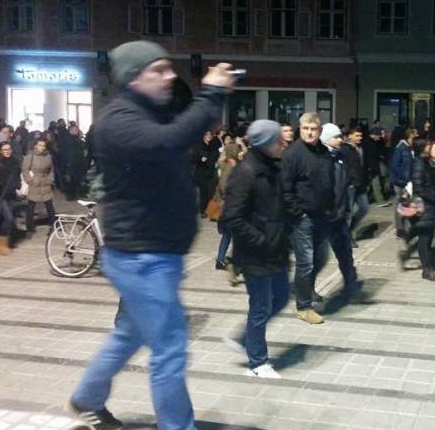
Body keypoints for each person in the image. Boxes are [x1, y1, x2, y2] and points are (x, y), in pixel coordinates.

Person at [67, 41, 236, 430]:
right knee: (170, 350)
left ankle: (86, 398)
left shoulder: (145, 113)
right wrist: (211, 93)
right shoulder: (119, 120)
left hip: (152, 253)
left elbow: (179, 129)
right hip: (142, 256)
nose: (170, 75)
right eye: (158, 70)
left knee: (129, 333)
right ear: (133, 77)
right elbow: (169, 142)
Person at [221, 120, 290, 379]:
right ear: (264, 143)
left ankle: (243, 338)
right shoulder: (246, 172)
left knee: (282, 297)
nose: (284, 143)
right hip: (255, 253)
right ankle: (258, 363)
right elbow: (232, 217)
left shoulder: (273, 167)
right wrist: (261, 240)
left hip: (276, 249)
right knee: (260, 306)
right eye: (278, 140)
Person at [280, 112, 335, 325]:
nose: (310, 132)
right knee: (306, 262)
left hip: (321, 215)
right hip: (302, 218)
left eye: (313, 129)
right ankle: (303, 306)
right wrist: (297, 213)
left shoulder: (323, 151)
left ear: (319, 131)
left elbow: (328, 180)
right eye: (306, 128)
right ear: (300, 129)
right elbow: (285, 188)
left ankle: (304, 289)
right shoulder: (292, 154)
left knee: (320, 258)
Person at [321, 124, 364, 298]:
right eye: (336, 137)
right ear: (326, 138)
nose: (341, 139)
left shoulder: (339, 156)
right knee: (315, 259)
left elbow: (342, 184)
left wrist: (344, 207)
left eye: (340, 136)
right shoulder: (320, 158)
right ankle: (307, 291)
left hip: (338, 214)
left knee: (345, 253)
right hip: (323, 216)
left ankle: (351, 284)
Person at [411, 139, 435, 281]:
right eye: (429, 147)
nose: (431, 149)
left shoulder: (426, 163)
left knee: (429, 236)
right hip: (424, 206)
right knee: (424, 238)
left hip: (430, 206)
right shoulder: (419, 163)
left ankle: (427, 264)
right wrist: (433, 197)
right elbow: (418, 187)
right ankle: (427, 269)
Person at [0, 142, 22, 255]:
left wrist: (18, 185)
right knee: (9, 219)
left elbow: (17, 176)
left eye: (9, 149)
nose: (7, 151)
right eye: (4, 149)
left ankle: (3, 243)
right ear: (0, 151)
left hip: (12, 194)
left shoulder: (15, 162)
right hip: (1, 194)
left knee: (5, 218)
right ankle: (1, 242)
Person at [340, 126, 369, 247]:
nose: (360, 138)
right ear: (350, 136)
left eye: (361, 135)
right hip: (350, 185)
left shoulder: (359, 148)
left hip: (360, 184)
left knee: (364, 208)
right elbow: (344, 167)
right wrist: (348, 181)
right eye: (357, 135)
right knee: (349, 213)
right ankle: (347, 237)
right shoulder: (345, 149)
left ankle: (348, 231)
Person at [215, 135, 240, 277]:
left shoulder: (226, 164)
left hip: (226, 207)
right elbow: (224, 185)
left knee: (227, 235)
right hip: (229, 207)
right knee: (232, 235)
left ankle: (221, 260)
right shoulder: (230, 166)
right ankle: (233, 262)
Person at [22, 139, 56, 236]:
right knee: (31, 206)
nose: (42, 147)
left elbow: (51, 170)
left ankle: (53, 225)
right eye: (40, 145)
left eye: (43, 145)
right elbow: (25, 170)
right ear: (35, 146)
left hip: (45, 183)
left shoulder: (48, 156)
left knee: (49, 205)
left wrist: (50, 180)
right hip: (35, 183)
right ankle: (29, 228)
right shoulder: (30, 156)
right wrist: (30, 181)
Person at [389, 127, 416, 241]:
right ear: (410, 136)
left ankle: (405, 228)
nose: (416, 137)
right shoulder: (401, 148)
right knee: (401, 204)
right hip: (401, 182)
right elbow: (395, 166)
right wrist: (404, 180)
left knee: (406, 203)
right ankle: (400, 230)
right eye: (415, 134)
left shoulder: (409, 148)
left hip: (407, 181)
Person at [364, 126, 390, 206]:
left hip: (373, 166)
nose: (380, 138)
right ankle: (379, 200)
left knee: (372, 184)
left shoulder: (374, 142)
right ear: (374, 135)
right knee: (375, 184)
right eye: (379, 136)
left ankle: (371, 199)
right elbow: (367, 156)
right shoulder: (368, 143)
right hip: (371, 166)